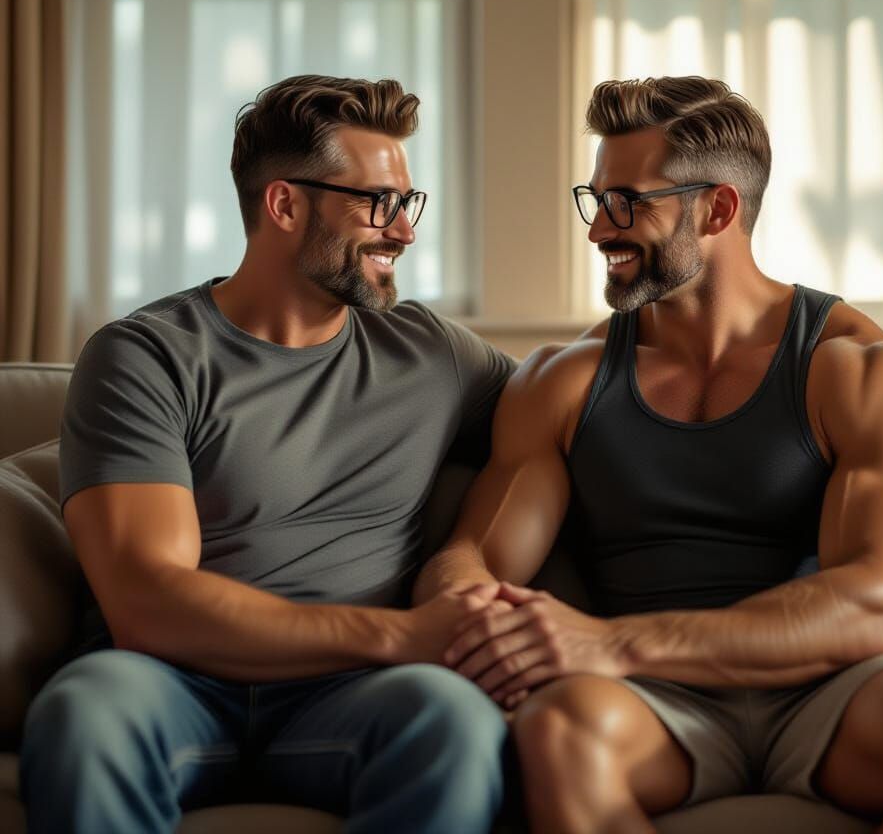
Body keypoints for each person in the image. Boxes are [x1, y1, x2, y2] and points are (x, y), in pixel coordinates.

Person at [417, 76, 883, 834]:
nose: (598, 230)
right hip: (650, 699)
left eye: (628, 202)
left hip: (835, 686)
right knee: (557, 732)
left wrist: (607, 640)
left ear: (719, 208)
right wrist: (472, 604)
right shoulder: (564, 383)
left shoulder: (863, 372)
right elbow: (470, 558)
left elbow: (877, 607)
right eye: (594, 200)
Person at [19, 76, 517, 834]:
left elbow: (566, 420)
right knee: (85, 713)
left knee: (452, 718)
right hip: (170, 687)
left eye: (407, 203)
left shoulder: (434, 356)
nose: (404, 232)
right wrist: (401, 635)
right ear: (284, 205)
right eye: (376, 204)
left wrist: (466, 557)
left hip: (352, 697)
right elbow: (147, 603)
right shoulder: (146, 356)